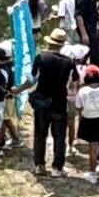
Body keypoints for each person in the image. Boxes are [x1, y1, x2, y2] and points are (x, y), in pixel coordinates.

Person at [29, 29, 75, 177]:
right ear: (61, 45)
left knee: (40, 134)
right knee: (59, 136)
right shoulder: (69, 62)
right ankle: (57, 168)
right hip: (60, 102)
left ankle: (39, 165)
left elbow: (32, 78)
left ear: (50, 42)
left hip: (42, 100)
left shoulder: (41, 57)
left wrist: (19, 89)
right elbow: (73, 81)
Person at [9, 0, 41, 101]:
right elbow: (44, 11)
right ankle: (32, 67)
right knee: (33, 47)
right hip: (35, 28)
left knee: (23, 46)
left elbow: (15, 8)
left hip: (23, 26)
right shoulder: (40, 0)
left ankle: (23, 64)